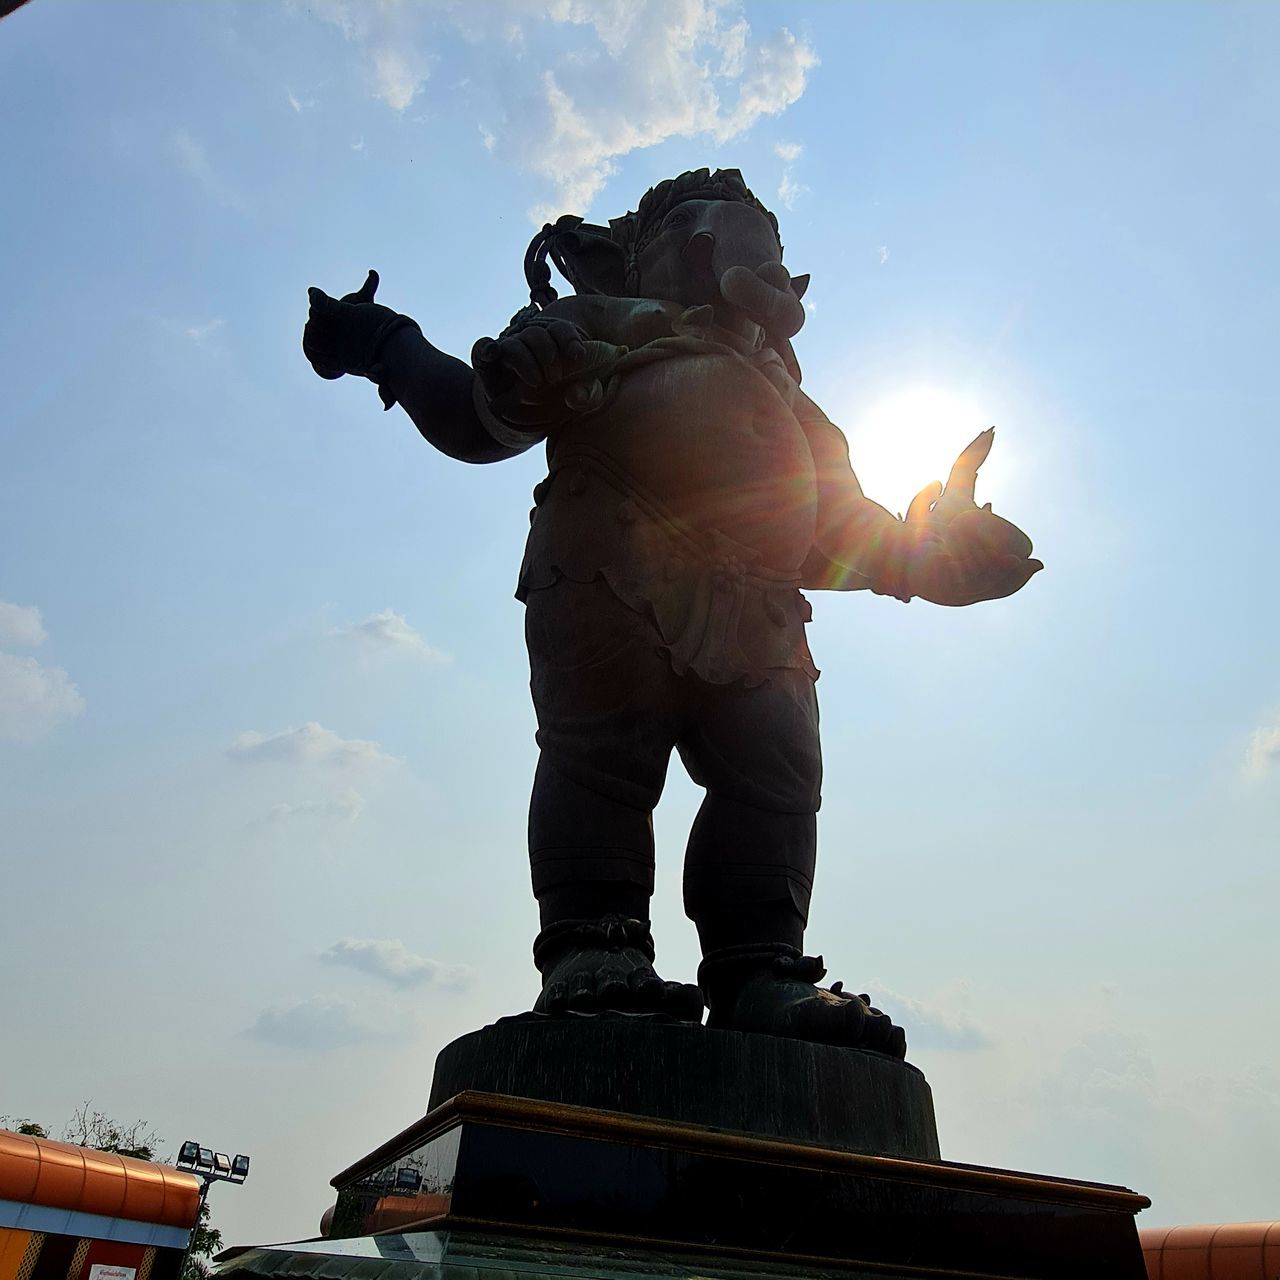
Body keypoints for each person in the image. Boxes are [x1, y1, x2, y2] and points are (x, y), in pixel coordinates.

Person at [303, 169, 1041, 1055]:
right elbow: (475, 416)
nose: (730, 251)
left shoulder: (796, 410)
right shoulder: (600, 326)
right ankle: (594, 951)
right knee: (601, 761)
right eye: (704, 235)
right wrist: (388, 342)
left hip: (760, 614)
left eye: (759, 242)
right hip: (610, 564)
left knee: (775, 777)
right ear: (656, 258)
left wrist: (937, 551)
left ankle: (760, 967)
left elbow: (844, 540)